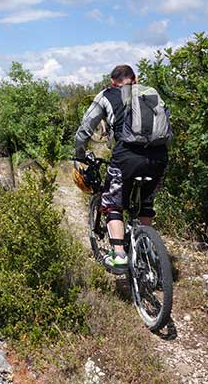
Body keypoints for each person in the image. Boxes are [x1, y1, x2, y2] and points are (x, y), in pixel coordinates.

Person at [74, 65, 169, 273]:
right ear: (134, 79)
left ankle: (119, 255)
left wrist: (79, 154)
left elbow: (86, 128)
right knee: (146, 200)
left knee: (112, 203)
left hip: (127, 157)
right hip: (159, 156)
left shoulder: (106, 95)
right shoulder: (151, 92)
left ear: (112, 81)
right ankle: (146, 248)